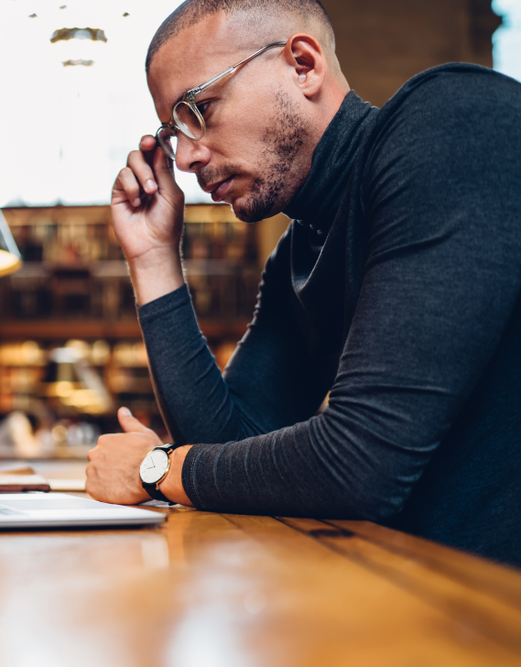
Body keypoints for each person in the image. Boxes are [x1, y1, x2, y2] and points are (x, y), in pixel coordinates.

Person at [86, 0, 521, 567]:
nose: (188, 158)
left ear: (304, 64)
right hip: (411, 599)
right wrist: (152, 259)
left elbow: (360, 464)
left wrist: (158, 468)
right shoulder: (302, 247)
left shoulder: (456, 121)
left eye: (200, 108)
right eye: (173, 132)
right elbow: (224, 445)